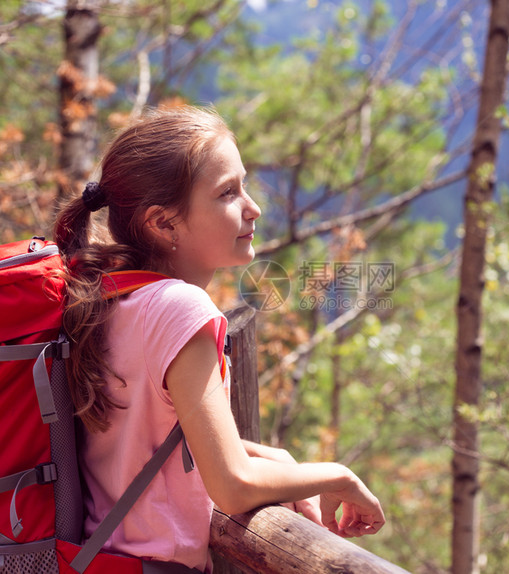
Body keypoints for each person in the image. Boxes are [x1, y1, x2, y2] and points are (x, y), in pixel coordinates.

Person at [54, 105, 384, 572]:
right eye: (228, 192)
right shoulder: (178, 310)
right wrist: (338, 476)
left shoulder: (107, 295)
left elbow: (144, 435)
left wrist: (275, 459)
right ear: (163, 222)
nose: (253, 208)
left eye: (244, 184)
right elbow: (232, 486)